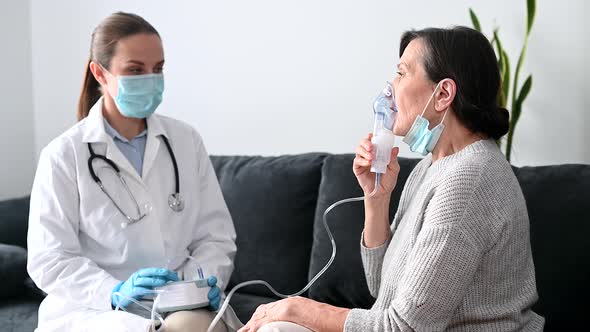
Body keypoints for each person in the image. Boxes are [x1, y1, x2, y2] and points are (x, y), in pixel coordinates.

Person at [238, 26, 544, 332]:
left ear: (443, 94)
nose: (389, 89)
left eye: (401, 73)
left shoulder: (468, 180)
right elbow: (381, 287)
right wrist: (377, 197)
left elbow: (404, 328)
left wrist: (297, 308)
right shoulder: (433, 167)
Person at [27, 12, 240, 332]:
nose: (151, 79)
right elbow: (50, 260)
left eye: (158, 69)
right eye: (135, 70)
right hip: (95, 311)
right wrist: (112, 292)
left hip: (178, 302)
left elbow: (215, 235)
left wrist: (202, 282)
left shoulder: (185, 140)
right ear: (100, 73)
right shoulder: (64, 155)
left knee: (189, 325)